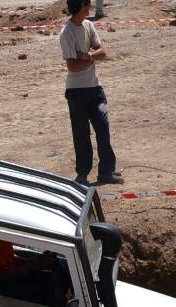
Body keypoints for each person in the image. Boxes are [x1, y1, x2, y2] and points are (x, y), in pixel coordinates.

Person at [59, 0, 124, 186]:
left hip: (95, 88)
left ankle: (106, 172)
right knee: (81, 134)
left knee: (102, 128)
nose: (90, 7)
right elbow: (72, 67)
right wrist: (90, 57)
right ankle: (82, 175)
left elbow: (102, 52)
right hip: (76, 91)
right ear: (80, 7)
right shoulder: (66, 33)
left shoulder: (89, 25)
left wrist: (86, 56)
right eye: (87, 4)